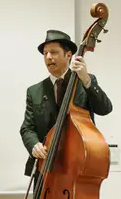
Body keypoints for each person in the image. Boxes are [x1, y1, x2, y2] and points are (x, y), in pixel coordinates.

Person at [20, 29, 113, 179]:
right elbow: (27, 128)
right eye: (45, 53)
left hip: (78, 165)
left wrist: (87, 80)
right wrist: (34, 144)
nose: (48, 57)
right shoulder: (34, 91)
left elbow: (105, 109)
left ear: (68, 55)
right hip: (46, 168)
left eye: (54, 52)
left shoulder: (84, 81)